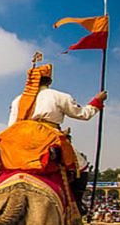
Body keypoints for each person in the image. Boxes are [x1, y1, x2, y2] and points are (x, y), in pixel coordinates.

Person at [7, 61, 107, 215]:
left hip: (20, 138)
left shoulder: (17, 100)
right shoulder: (58, 96)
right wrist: (97, 102)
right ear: (50, 81)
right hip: (48, 135)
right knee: (82, 165)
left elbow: (11, 125)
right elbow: (82, 114)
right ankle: (77, 205)